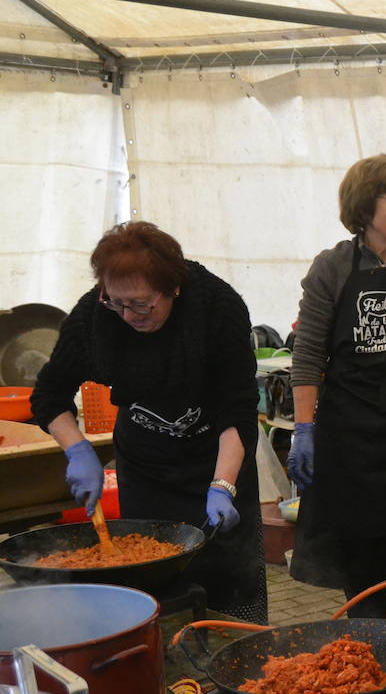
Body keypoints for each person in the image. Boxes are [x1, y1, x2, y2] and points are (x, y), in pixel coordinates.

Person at [31, 221, 267, 621]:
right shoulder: (94, 314)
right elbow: (49, 395)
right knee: (156, 588)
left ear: (172, 288)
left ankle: (240, 648)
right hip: (146, 469)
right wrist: (78, 450)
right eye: (117, 302)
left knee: (231, 580)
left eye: (141, 304)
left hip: (214, 461)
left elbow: (238, 411)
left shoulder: (218, 308)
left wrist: (223, 484)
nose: (128, 315)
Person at [285, 154, 386, 617]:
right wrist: (303, 430)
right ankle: (366, 648)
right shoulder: (333, 267)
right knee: (361, 563)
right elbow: (308, 355)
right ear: (365, 205)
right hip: (353, 434)